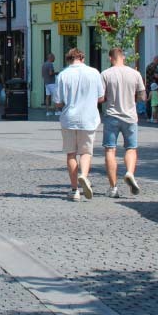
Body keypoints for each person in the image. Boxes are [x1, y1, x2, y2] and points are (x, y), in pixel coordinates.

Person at [54, 47, 104, 201]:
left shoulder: (63, 75)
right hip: (89, 118)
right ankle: (84, 175)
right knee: (86, 152)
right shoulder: (94, 73)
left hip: (69, 119)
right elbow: (101, 97)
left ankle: (74, 189)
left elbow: (58, 102)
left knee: (71, 153)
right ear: (82, 58)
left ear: (68, 59)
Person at [100, 48, 146, 198]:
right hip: (130, 117)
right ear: (123, 57)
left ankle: (113, 188)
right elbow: (142, 97)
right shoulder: (135, 74)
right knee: (131, 148)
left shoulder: (105, 74)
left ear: (110, 58)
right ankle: (130, 173)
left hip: (112, 116)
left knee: (110, 150)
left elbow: (101, 97)